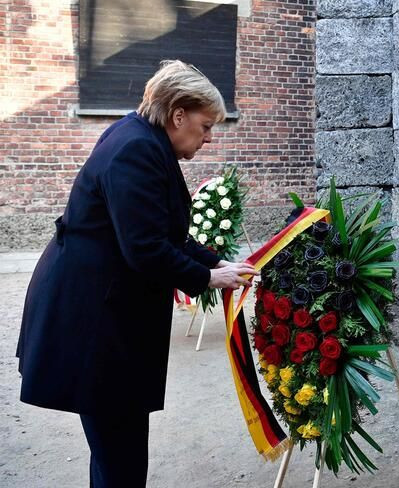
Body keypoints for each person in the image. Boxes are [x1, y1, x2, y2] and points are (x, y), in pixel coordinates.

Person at [15, 60, 257, 487]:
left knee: (115, 452)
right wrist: (208, 280)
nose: (208, 137)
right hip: (94, 323)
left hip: (102, 315)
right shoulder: (136, 149)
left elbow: (164, 232)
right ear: (177, 114)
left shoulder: (141, 137)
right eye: (205, 126)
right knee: (120, 454)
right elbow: (144, 248)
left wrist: (215, 262)